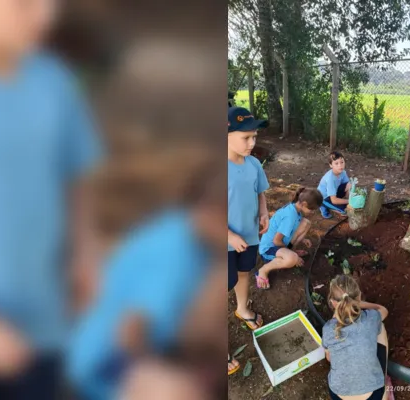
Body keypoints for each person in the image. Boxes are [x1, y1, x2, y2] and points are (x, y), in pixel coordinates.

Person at [0, 0, 102, 398]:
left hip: (45, 326)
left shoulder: (52, 81)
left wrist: (85, 253)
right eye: (24, 4)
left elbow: (73, 174)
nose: (45, 17)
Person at [67, 158, 225, 400]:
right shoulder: (174, 256)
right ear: (212, 211)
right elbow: (130, 333)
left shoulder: (187, 231)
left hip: (146, 345)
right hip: (108, 362)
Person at [227, 106, 269, 374]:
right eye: (246, 138)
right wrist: (229, 235)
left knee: (244, 273)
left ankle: (242, 309)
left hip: (250, 236)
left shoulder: (253, 164)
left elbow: (260, 192)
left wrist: (264, 211)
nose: (252, 143)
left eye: (254, 137)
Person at [322, 275, 390, 400]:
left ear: (332, 302)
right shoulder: (371, 318)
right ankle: (384, 383)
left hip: (338, 395)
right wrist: (359, 304)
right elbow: (383, 310)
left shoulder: (327, 329)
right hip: (373, 395)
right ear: (359, 296)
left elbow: (329, 358)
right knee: (381, 327)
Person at [255, 188, 323, 289]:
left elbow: (293, 228)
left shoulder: (295, 209)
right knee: (292, 259)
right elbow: (276, 241)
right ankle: (263, 270)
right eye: (311, 209)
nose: (312, 212)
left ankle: (291, 251)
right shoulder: (290, 217)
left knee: (306, 223)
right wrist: (293, 255)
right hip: (269, 248)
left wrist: (302, 240)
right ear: (304, 204)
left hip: (280, 244)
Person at [318, 151, 351, 219]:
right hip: (324, 197)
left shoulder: (343, 172)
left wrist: (350, 198)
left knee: (349, 184)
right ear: (331, 165)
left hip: (333, 192)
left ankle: (339, 203)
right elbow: (334, 200)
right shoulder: (330, 179)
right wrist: (349, 201)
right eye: (336, 163)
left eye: (342, 162)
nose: (340, 165)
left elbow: (348, 185)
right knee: (345, 211)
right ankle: (323, 205)